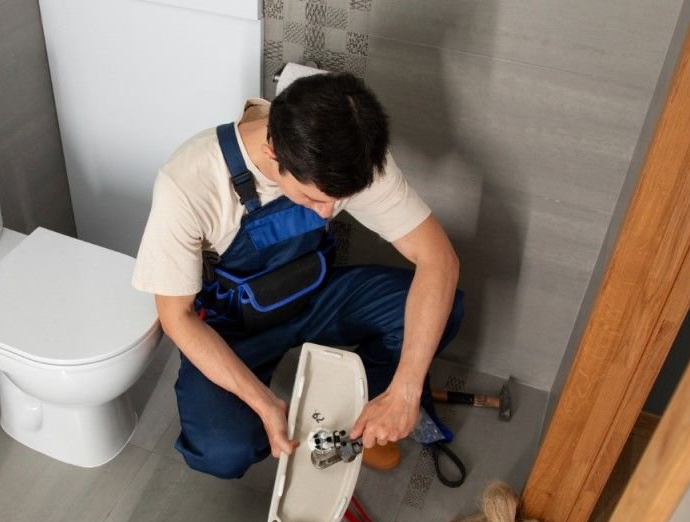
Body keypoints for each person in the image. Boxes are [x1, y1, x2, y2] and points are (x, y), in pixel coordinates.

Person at [132, 72, 464, 479]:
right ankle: (264, 409)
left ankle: (364, 421)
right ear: (273, 151)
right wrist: (264, 402)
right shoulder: (189, 183)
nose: (327, 212)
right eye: (314, 198)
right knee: (224, 449)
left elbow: (439, 260)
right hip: (236, 326)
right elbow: (175, 317)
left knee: (442, 310)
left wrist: (406, 389)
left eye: (337, 200)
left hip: (315, 294)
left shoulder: (352, 146)